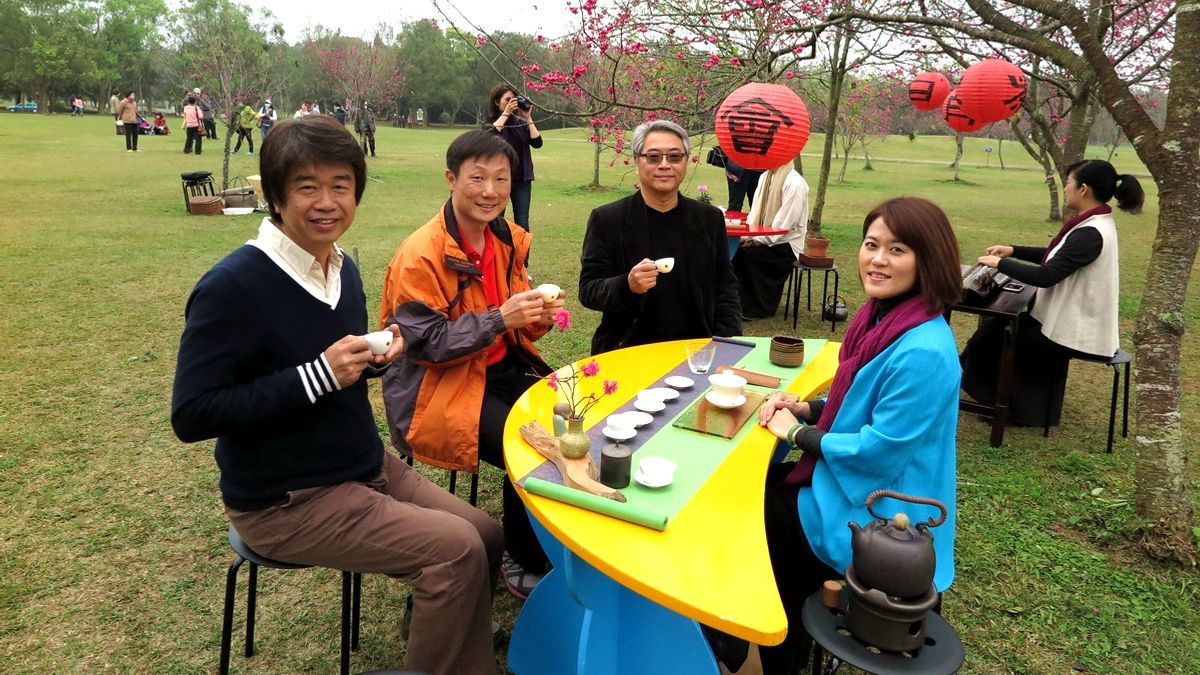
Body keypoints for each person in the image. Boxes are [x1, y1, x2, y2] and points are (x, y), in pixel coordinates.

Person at [172, 115, 503, 675]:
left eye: (341, 186)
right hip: (285, 499)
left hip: (358, 465)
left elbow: (333, 369)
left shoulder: (340, 268)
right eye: (307, 187)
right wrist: (318, 375)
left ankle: (437, 636)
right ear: (276, 195)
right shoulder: (233, 286)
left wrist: (369, 363)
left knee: (486, 535)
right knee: (454, 550)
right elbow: (192, 412)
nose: (327, 202)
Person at [749, 196, 962, 674]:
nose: (878, 259)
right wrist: (807, 407)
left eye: (898, 250)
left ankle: (774, 643)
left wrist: (800, 433)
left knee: (752, 518)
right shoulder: (881, 317)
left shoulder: (924, 349)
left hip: (881, 511)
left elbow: (878, 452)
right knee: (751, 490)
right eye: (872, 244)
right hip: (847, 480)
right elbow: (857, 405)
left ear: (928, 260)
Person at [379, 129, 563, 602]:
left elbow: (512, 323)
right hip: (438, 389)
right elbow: (424, 346)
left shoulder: (505, 238)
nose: (490, 191)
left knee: (577, 422)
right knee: (536, 449)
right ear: (451, 179)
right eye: (477, 178)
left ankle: (562, 546)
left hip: (497, 370)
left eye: (501, 179)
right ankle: (521, 557)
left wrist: (533, 317)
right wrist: (502, 318)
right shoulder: (421, 253)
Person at [961, 159, 1144, 427]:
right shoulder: (1093, 224)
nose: (1066, 188)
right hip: (1068, 320)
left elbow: (1047, 275)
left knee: (994, 338)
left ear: (1083, 189)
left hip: (1074, 330)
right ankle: (996, 397)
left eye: (1068, 183)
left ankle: (1010, 409)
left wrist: (1000, 264)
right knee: (996, 330)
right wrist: (1012, 250)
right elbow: (1055, 257)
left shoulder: (1091, 233)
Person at [578, 119, 741, 355]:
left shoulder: (709, 219)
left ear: (685, 162)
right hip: (628, 350)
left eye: (675, 157)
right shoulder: (608, 220)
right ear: (637, 162)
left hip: (696, 350)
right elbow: (588, 290)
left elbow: (726, 287)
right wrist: (628, 285)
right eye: (653, 157)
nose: (664, 165)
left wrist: (726, 346)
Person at [733, 162, 810, 319]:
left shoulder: (795, 184)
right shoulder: (764, 177)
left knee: (747, 256)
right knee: (735, 251)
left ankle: (757, 307)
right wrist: (746, 235)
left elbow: (782, 227)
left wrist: (751, 240)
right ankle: (736, 303)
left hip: (785, 245)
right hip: (762, 238)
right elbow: (754, 214)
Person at [487, 84, 543, 233]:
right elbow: (488, 136)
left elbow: (537, 143)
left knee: (522, 222)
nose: (512, 103)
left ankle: (521, 256)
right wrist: (505, 114)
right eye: (507, 100)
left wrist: (528, 117)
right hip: (499, 180)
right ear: (497, 102)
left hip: (521, 180)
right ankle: (497, 256)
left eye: (514, 100)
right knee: (496, 220)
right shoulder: (492, 123)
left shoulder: (520, 123)